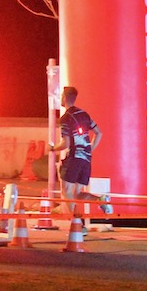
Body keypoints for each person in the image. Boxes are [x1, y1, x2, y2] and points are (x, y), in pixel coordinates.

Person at [48, 86, 112, 217]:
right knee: (77, 193)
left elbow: (66, 143)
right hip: (86, 160)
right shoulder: (84, 114)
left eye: (61, 96)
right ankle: (99, 200)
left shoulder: (66, 118)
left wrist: (53, 148)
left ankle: (76, 223)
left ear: (65, 98)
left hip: (74, 158)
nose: (60, 98)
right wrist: (89, 150)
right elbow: (98, 133)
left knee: (66, 191)